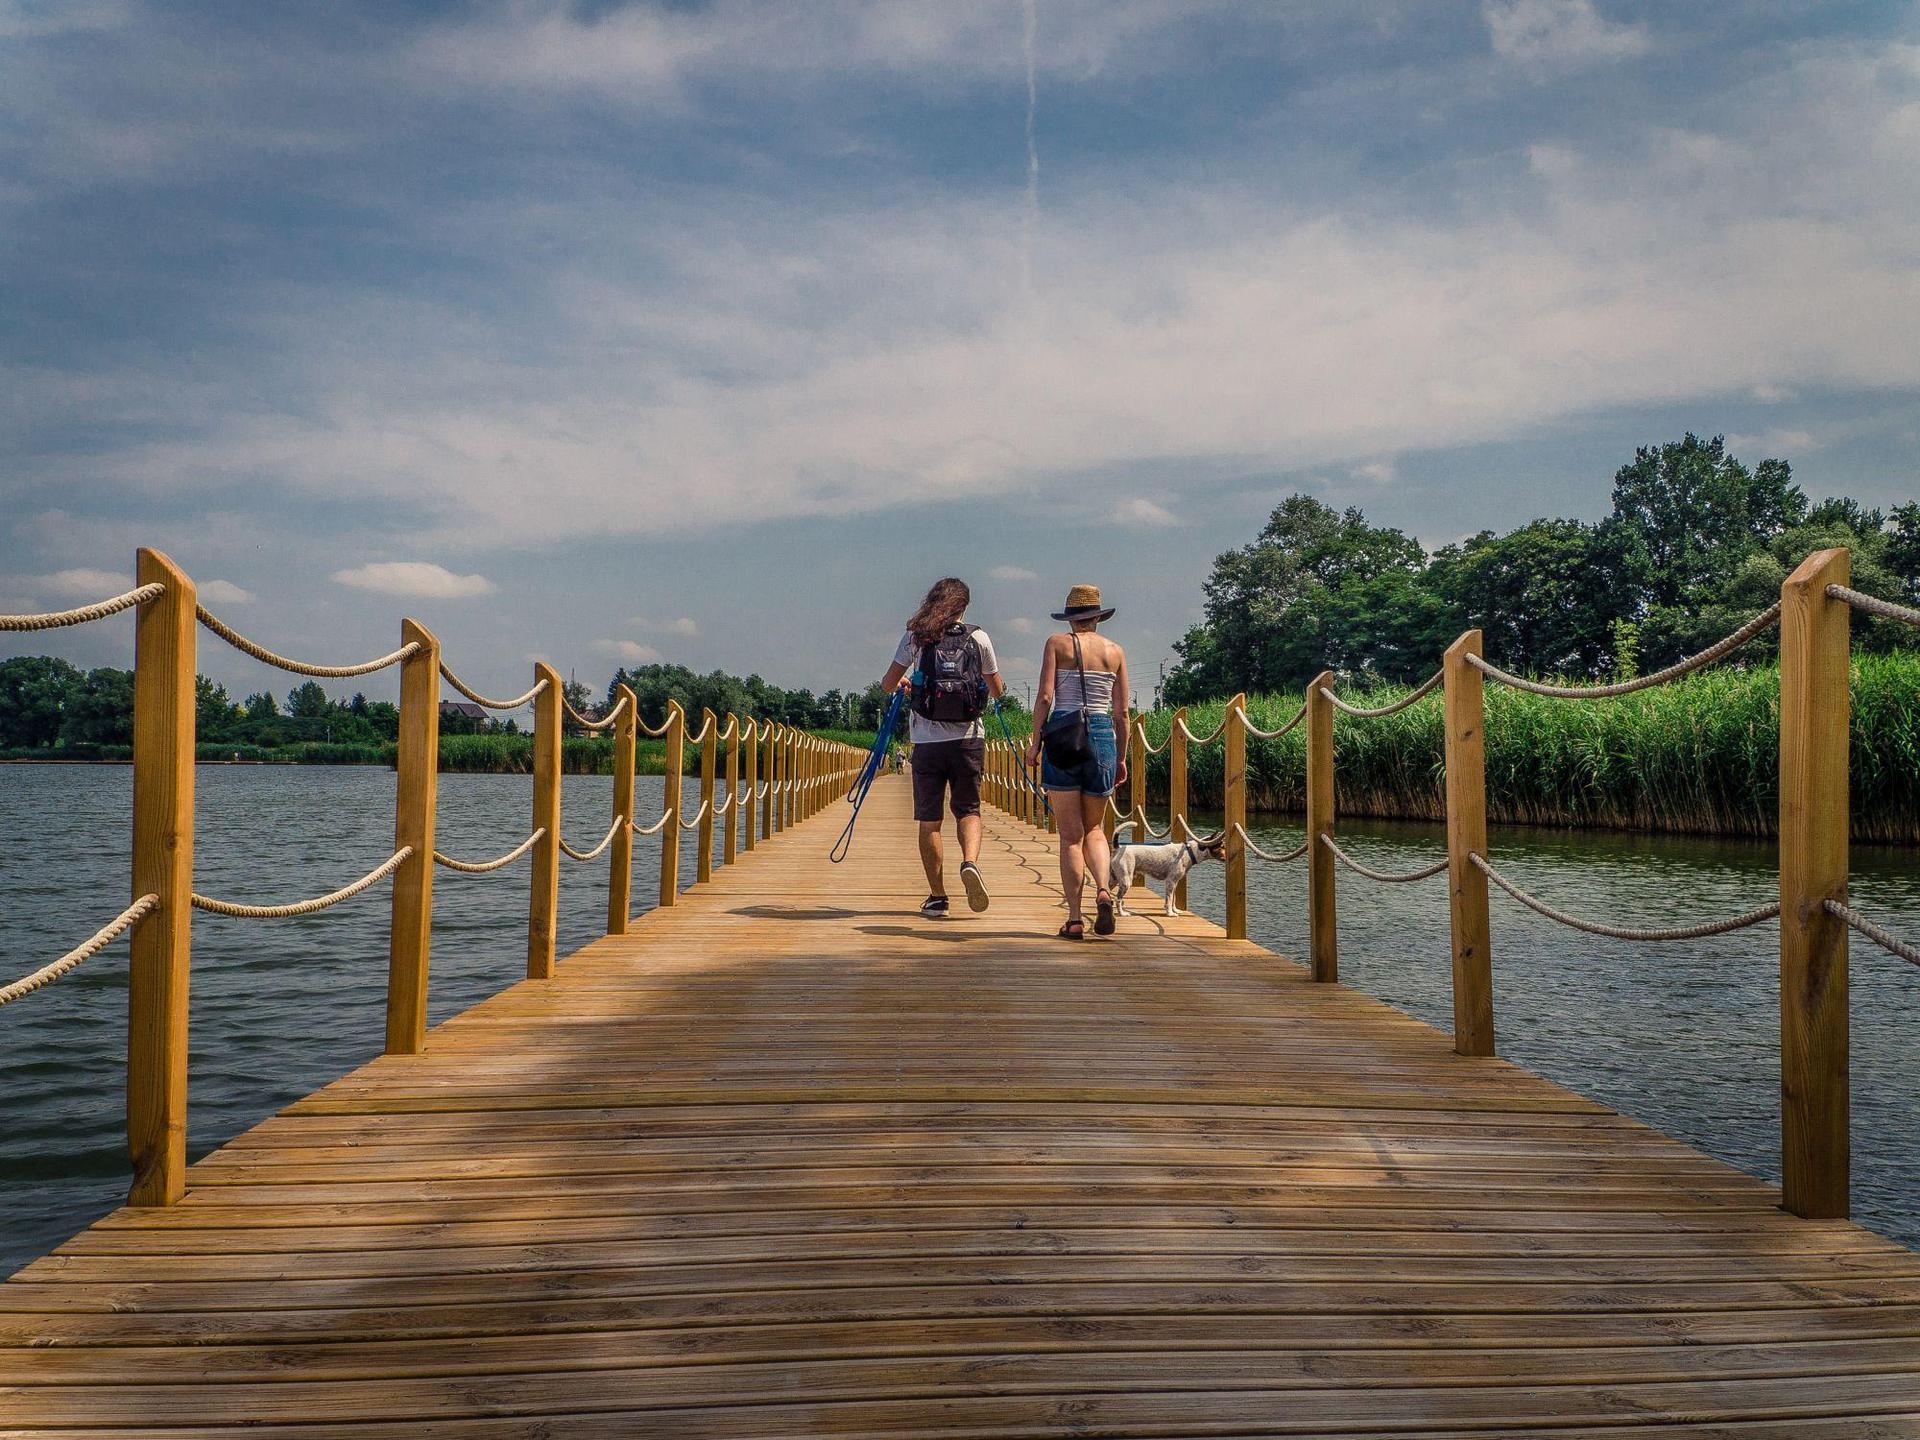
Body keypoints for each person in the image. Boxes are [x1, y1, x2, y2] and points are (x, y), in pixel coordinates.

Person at [879, 578, 1005, 916]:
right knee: (968, 810)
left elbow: (888, 684)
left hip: (926, 742)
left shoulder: (916, 638)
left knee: (930, 820)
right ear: (964, 607)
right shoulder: (978, 637)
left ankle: (937, 897)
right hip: (968, 739)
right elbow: (998, 691)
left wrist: (907, 683)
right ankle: (970, 863)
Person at [1025, 584, 1130, 939]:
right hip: (1103, 737)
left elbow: (1045, 696)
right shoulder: (1115, 651)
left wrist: (1035, 742)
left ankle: (1073, 919)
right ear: (1098, 617)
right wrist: (1120, 758)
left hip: (1065, 733)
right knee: (1096, 830)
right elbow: (1123, 713)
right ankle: (1103, 890)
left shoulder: (1058, 644)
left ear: (1071, 617)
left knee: (1070, 837)